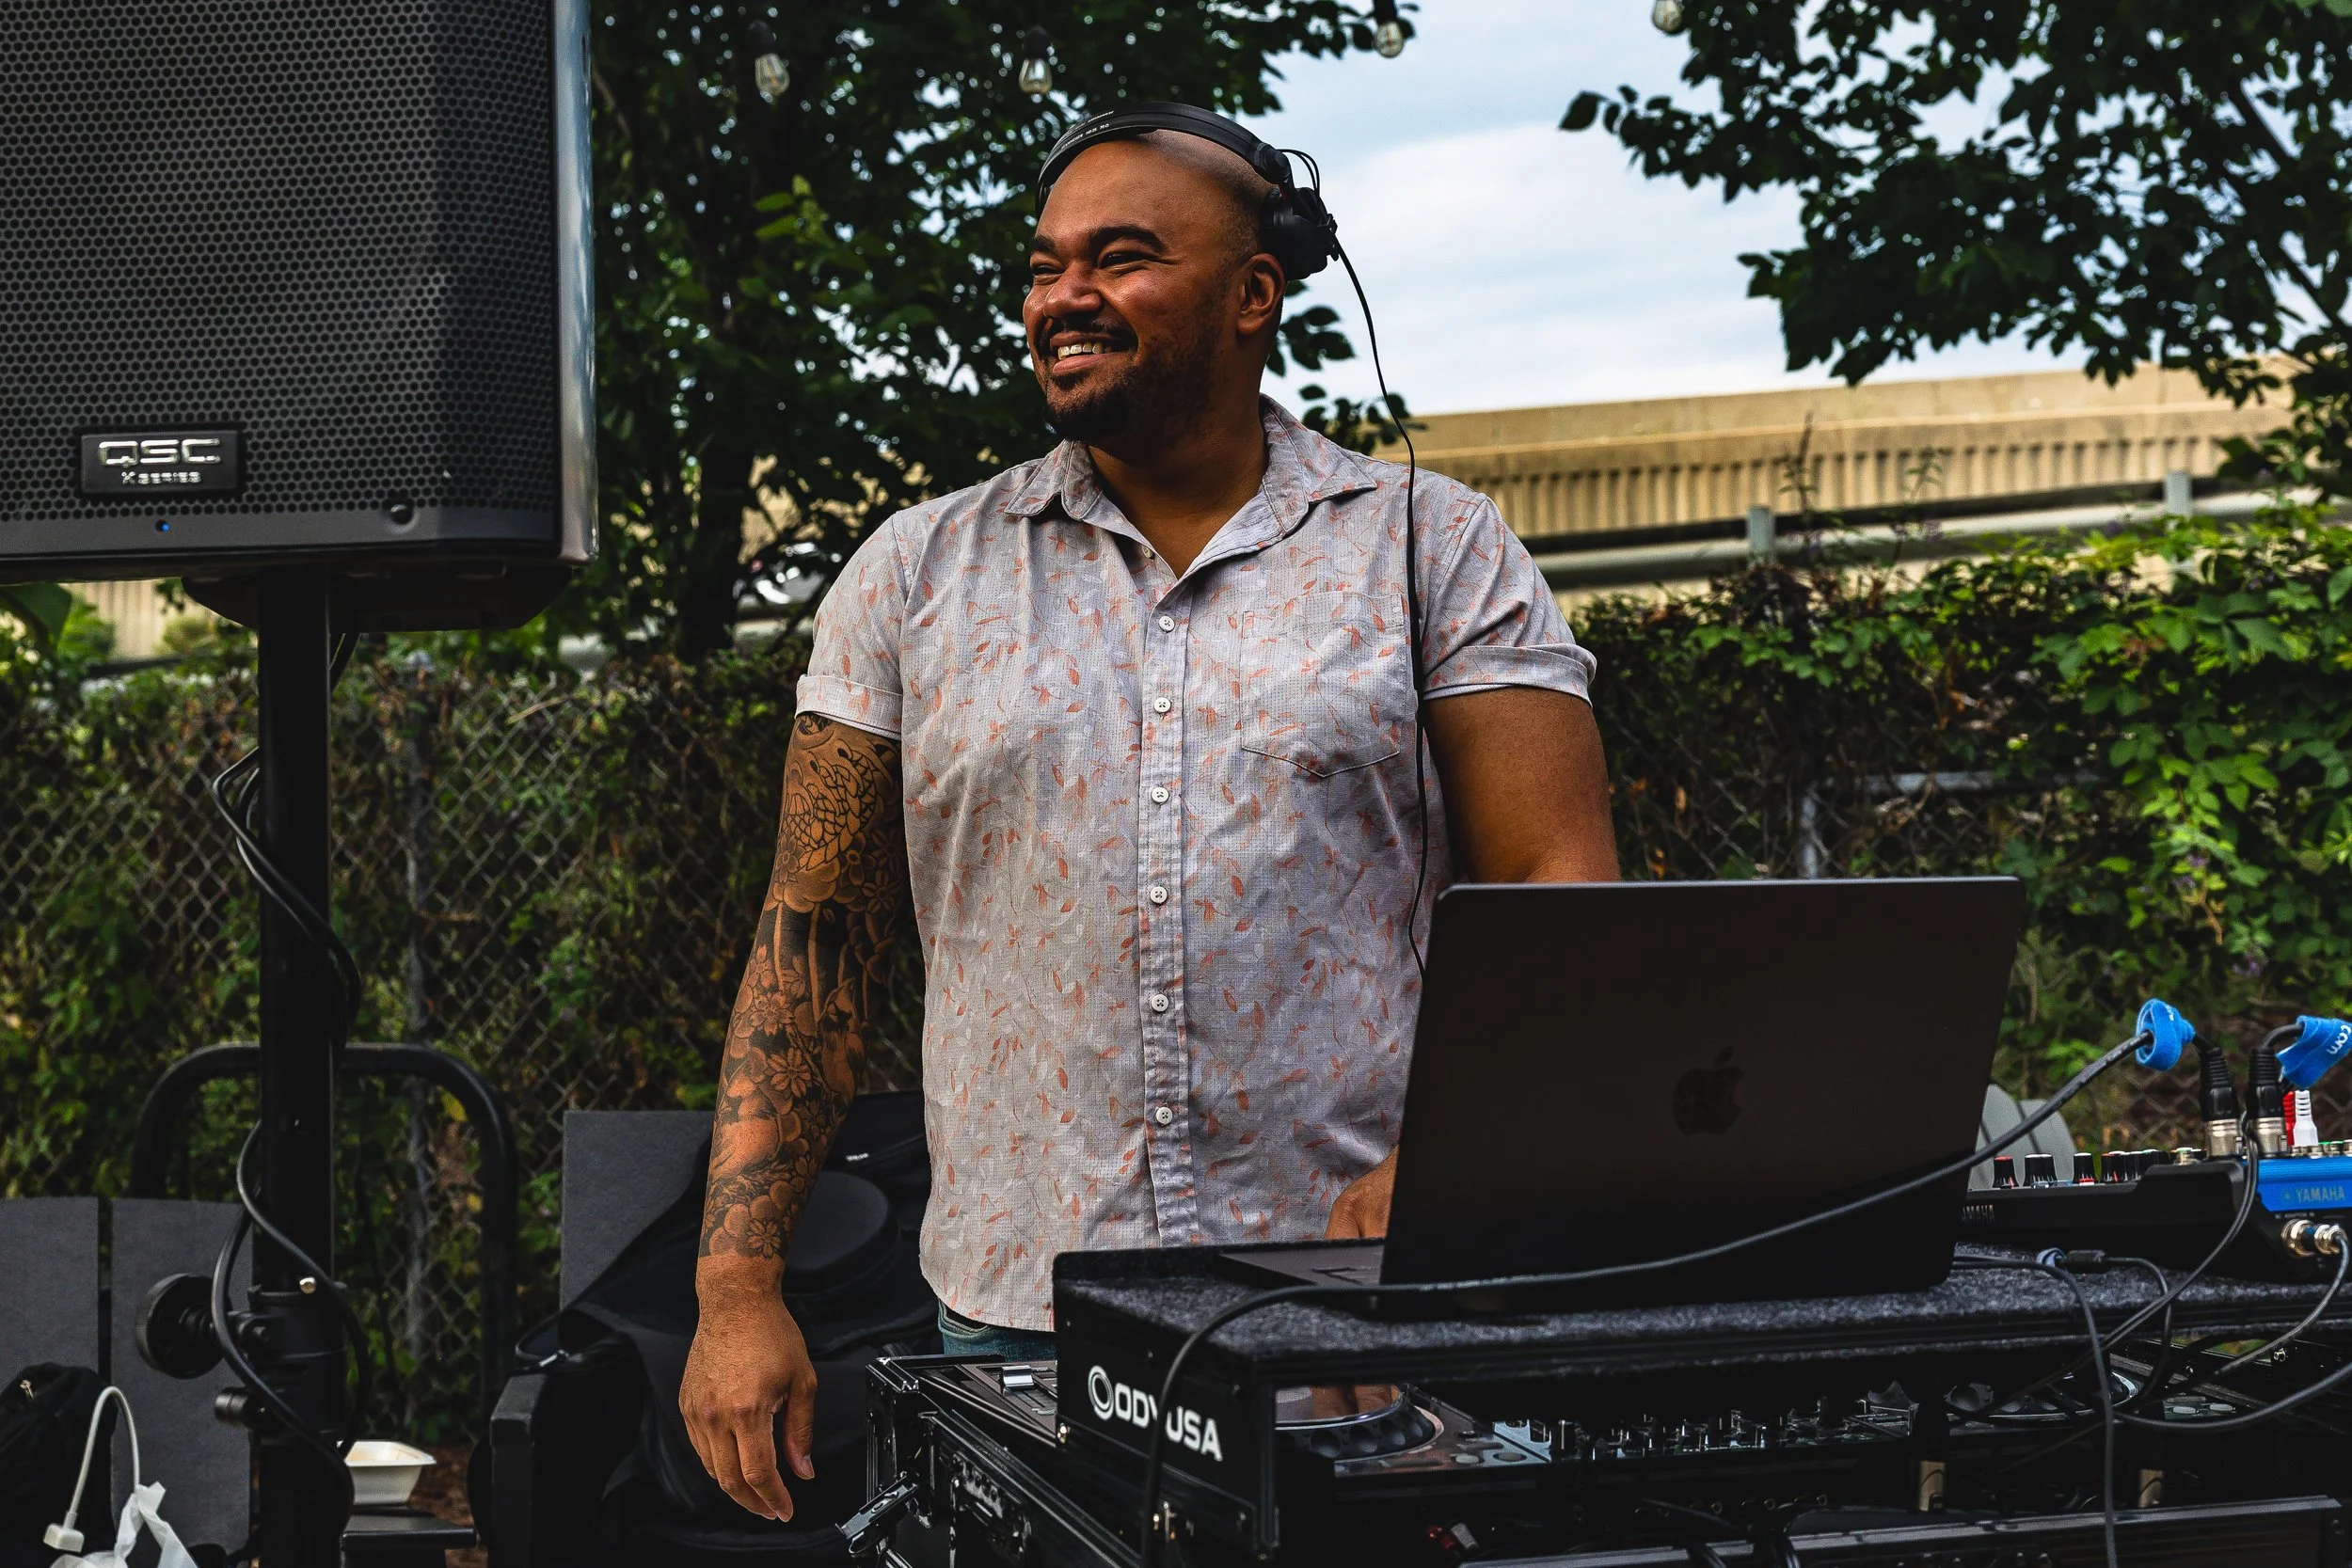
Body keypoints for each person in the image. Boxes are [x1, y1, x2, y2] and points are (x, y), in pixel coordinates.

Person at [678, 103, 1619, 1522]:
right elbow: (809, 943)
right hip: (1021, 1325)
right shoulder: (911, 575)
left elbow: (1560, 880)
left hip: (1361, 1309)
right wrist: (737, 1284)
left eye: (1120, 258)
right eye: (1046, 264)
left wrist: (1446, 1176)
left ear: (1256, 293)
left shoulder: (1432, 545)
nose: (1065, 297)